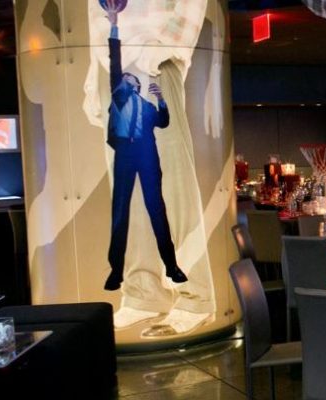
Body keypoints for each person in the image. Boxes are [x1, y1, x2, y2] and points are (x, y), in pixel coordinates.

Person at [104, 8, 187, 291]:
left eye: (131, 80)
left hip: (147, 156)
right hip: (125, 154)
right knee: (120, 212)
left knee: (157, 210)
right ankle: (116, 271)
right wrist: (114, 26)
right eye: (124, 79)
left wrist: (161, 100)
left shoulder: (147, 107)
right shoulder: (119, 98)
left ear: (137, 86)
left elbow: (163, 122)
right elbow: (115, 62)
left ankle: (172, 267)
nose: (126, 81)